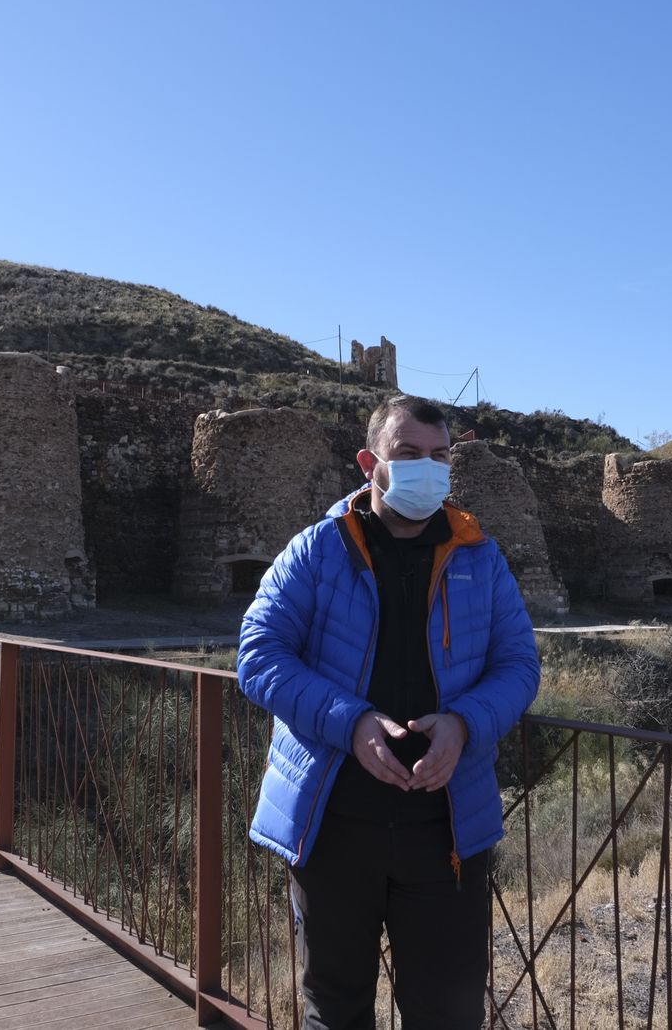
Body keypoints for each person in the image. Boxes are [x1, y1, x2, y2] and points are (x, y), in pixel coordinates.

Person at [237, 394, 541, 1030]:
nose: (426, 468)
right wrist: (352, 722)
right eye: (408, 454)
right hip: (334, 820)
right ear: (368, 461)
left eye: (438, 456)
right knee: (336, 1006)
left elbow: (518, 666)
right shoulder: (316, 551)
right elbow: (259, 654)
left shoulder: (480, 558)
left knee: (448, 1011)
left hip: (447, 829)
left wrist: (464, 724)